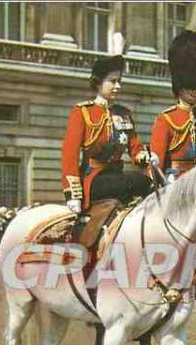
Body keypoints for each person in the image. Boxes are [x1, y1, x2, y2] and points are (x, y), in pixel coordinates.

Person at [61, 33, 154, 214]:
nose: (118, 86)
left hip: (117, 177)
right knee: (134, 181)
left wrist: (146, 157)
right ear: (98, 83)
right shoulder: (82, 112)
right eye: (112, 81)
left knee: (147, 183)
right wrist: (73, 194)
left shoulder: (124, 114)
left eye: (120, 81)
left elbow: (135, 149)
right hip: (94, 180)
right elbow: (69, 155)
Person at [150, 30, 196, 183]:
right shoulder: (166, 119)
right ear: (180, 86)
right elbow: (156, 163)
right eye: (192, 86)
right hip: (175, 181)